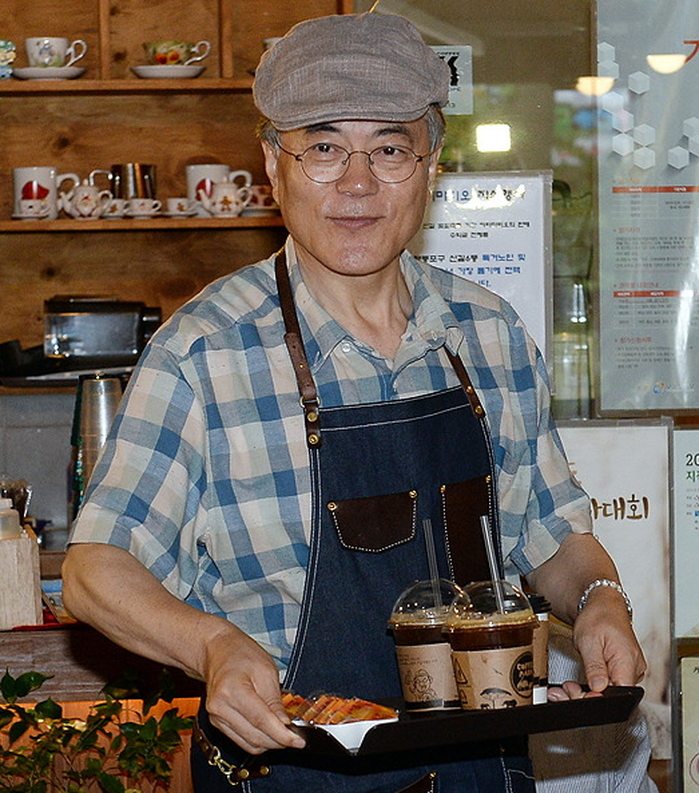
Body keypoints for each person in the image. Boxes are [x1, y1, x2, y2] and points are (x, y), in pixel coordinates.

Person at [62, 12, 646, 793]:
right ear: (274, 165)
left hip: (477, 768)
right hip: (286, 771)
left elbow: (551, 533)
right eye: (324, 148)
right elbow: (97, 569)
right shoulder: (203, 354)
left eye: (390, 148)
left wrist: (601, 599)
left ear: (431, 163)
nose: (358, 183)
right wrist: (213, 646)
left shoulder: (487, 333)